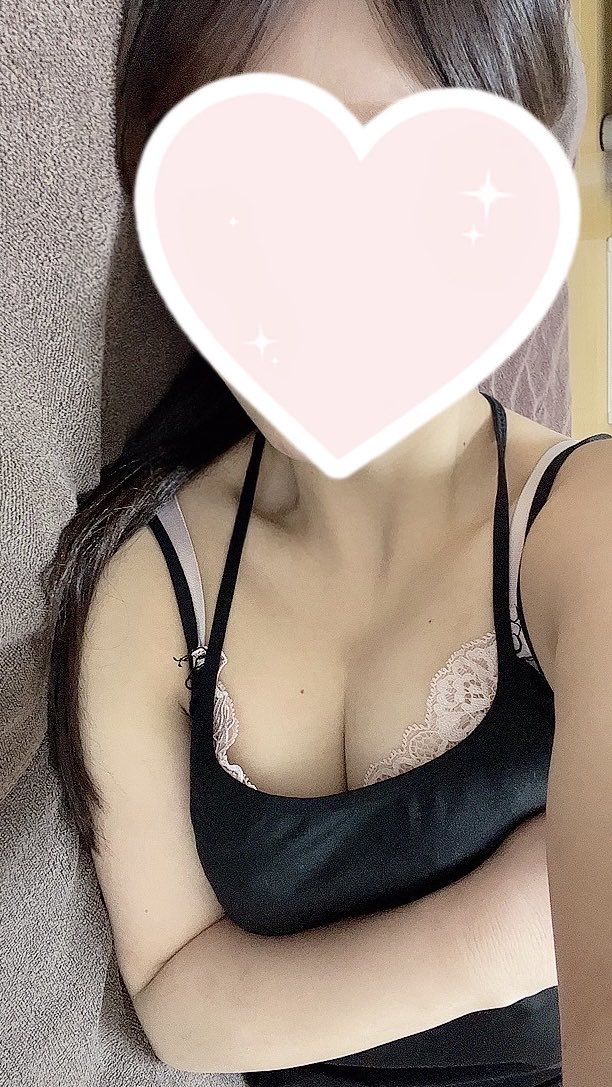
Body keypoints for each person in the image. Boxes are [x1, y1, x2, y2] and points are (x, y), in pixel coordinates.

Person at [42, 1, 611, 1084]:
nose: (311, 259)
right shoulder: (147, 586)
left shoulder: (585, 531)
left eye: (398, 168)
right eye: (242, 182)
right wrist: (501, 932)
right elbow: (179, 1000)